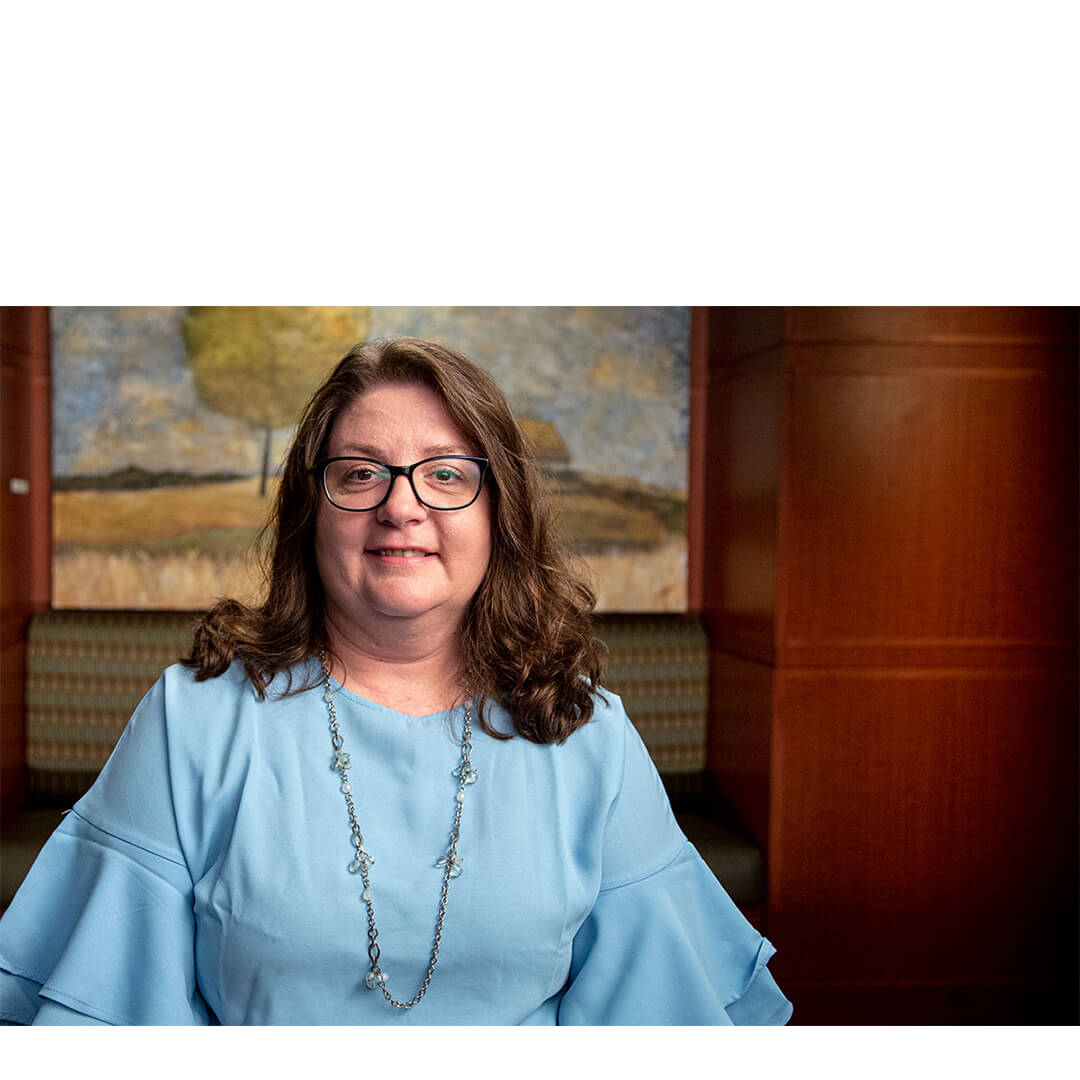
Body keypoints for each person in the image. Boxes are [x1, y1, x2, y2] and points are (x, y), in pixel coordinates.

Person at [0, 337, 792, 1026]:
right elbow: (118, 1015)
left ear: (499, 513)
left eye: (445, 476)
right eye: (360, 474)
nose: (401, 507)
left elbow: (651, 1016)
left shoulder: (590, 733)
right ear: (312, 510)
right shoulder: (193, 719)